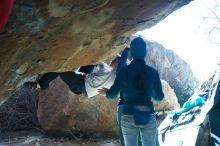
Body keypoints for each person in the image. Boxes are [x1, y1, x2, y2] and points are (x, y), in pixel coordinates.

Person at [98, 37, 164, 146]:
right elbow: (159, 97)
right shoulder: (153, 72)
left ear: (132, 53)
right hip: (147, 114)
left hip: (128, 115)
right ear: (145, 52)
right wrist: (148, 91)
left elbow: (112, 95)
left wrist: (107, 93)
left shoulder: (124, 72)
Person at [37, 48, 129, 98]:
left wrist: (127, 49)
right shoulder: (107, 69)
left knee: (60, 69)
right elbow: (97, 61)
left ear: (119, 64)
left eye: (116, 59)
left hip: (80, 85)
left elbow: (120, 90)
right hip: (84, 78)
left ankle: (42, 84)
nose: (113, 59)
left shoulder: (116, 76)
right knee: (94, 60)